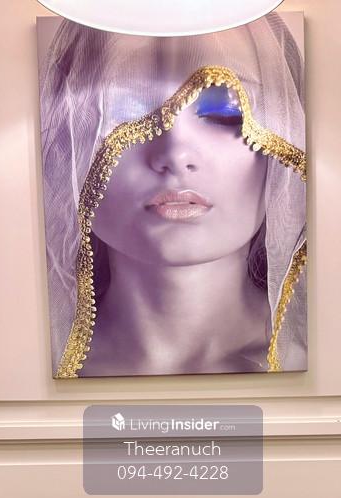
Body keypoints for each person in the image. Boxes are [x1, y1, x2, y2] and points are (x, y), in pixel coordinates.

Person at [39, 15, 307, 378]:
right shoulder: (18, 368)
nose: (175, 153)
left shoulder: (329, 362)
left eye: (226, 111)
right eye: (123, 111)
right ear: (66, 140)